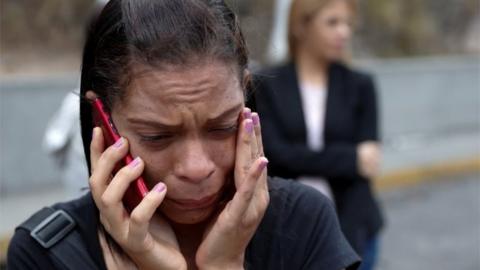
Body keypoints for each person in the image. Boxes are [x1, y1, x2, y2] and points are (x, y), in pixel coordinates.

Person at [7, 1, 360, 269]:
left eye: (221, 127)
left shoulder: (303, 222)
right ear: (103, 121)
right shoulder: (46, 253)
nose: (196, 167)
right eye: (158, 136)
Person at [251, 0, 384, 269]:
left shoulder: (361, 85)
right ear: (302, 25)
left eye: (348, 23)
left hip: (353, 227)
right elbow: (272, 155)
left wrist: (299, 155)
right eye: (333, 22)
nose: (344, 32)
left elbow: (369, 162)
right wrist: (350, 160)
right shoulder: (267, 83)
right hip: (283, 226)